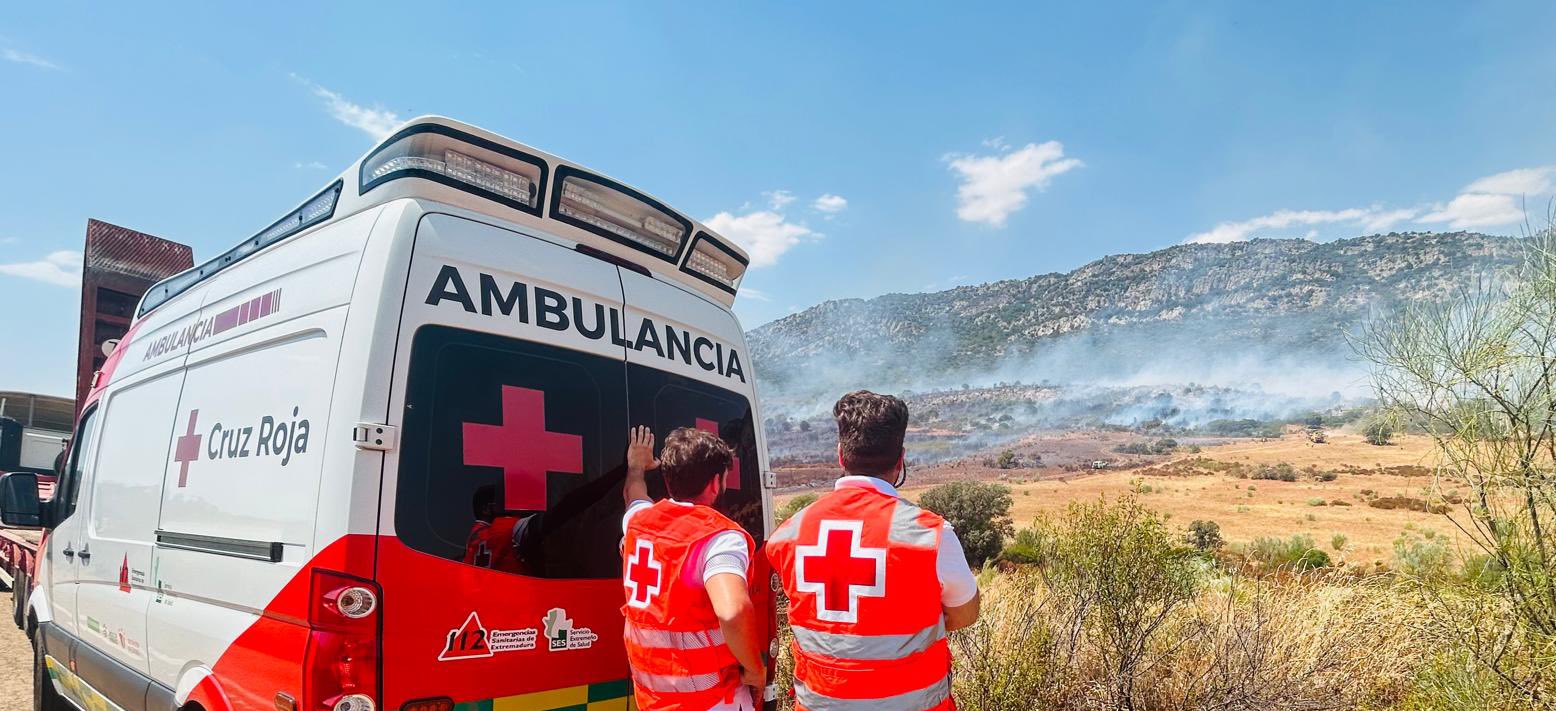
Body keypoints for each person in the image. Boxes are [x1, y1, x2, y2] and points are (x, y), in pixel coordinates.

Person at [766, 391, 980, 711]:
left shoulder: (788, 533)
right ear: (900, 459)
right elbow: (965, 612)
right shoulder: (930, 534)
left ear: (841, 455)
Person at [620, 426, 765, 711]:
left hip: (652, 698)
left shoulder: (638, 522)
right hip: (710, 700)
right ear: (715, 483)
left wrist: (636, 467)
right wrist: (755, 669)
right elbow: (733, 611)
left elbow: (633, 495)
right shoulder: (720, 538)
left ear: (668, 477)